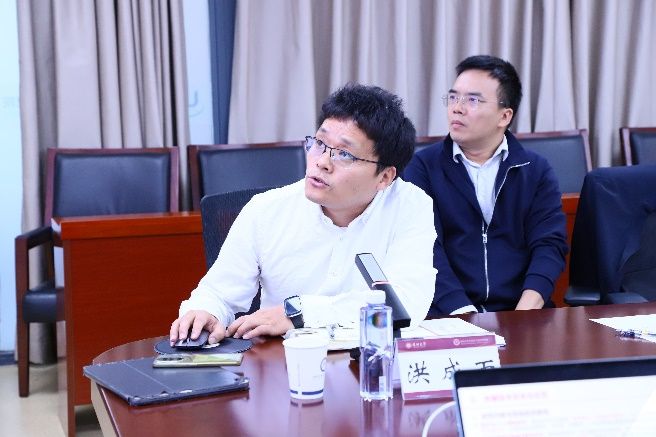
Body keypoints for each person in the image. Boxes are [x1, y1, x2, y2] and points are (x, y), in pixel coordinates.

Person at [170, 83, 437, 345]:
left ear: (385, 177)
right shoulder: (265, 210)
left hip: (370, 362)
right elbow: (218, 293)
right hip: (283, 360)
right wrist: (205, 311)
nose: (322, 162)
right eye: (319, 143)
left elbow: (404, 303)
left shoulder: (410, 206)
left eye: (344, 154)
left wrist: (299, 313)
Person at [404, 55, 568, 316]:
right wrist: (463, 314)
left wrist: (524, 313)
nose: (457, 108)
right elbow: (424, 249)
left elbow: (549, 245)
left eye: (472, 100)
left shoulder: (535, 170)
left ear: (504, 116)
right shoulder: (422, 167)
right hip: (447, 314)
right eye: (453, 97)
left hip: (522, 312)